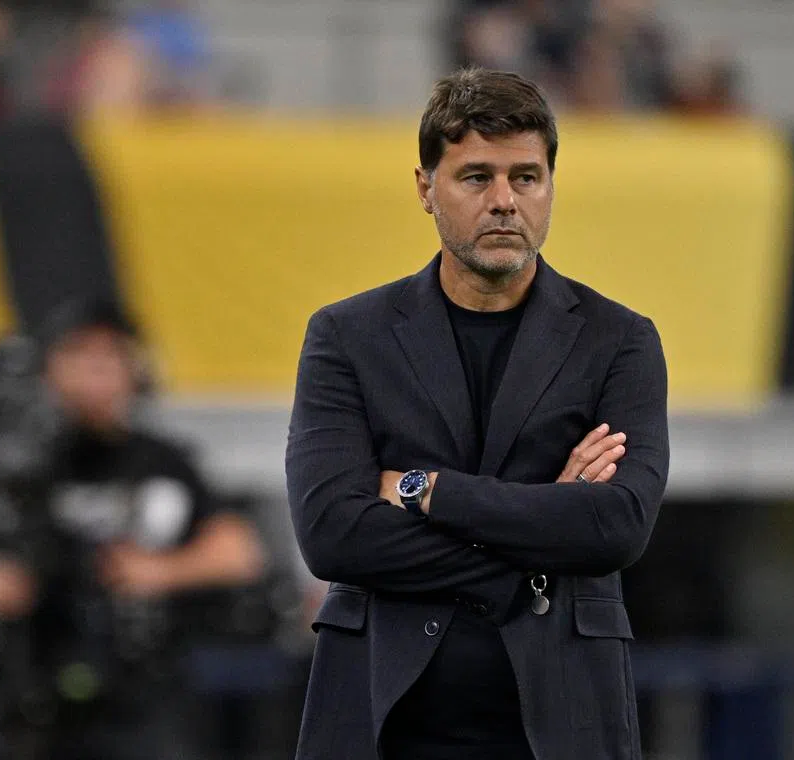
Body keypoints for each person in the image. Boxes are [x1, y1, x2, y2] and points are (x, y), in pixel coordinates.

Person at [286, 67, 670, 760]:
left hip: (562, 724)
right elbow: (333, 533)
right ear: (425, 188)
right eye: (475, 177)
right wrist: (541, 531)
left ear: (551, 186)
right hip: (383, 720)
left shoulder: (620, 340)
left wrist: (421, 489)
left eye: (526, 177)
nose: (503, 201)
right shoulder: (348, 335)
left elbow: (615, 526)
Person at [0, 297, 267, 760]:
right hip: (30, 693)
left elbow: (240, 552)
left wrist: (159, 571)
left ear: (134, 369)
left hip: (141, 695)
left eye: (110, 357)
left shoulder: (165, 462)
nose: (95, 372)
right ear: (51, 369)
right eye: (79, 355)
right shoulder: (20, 468)